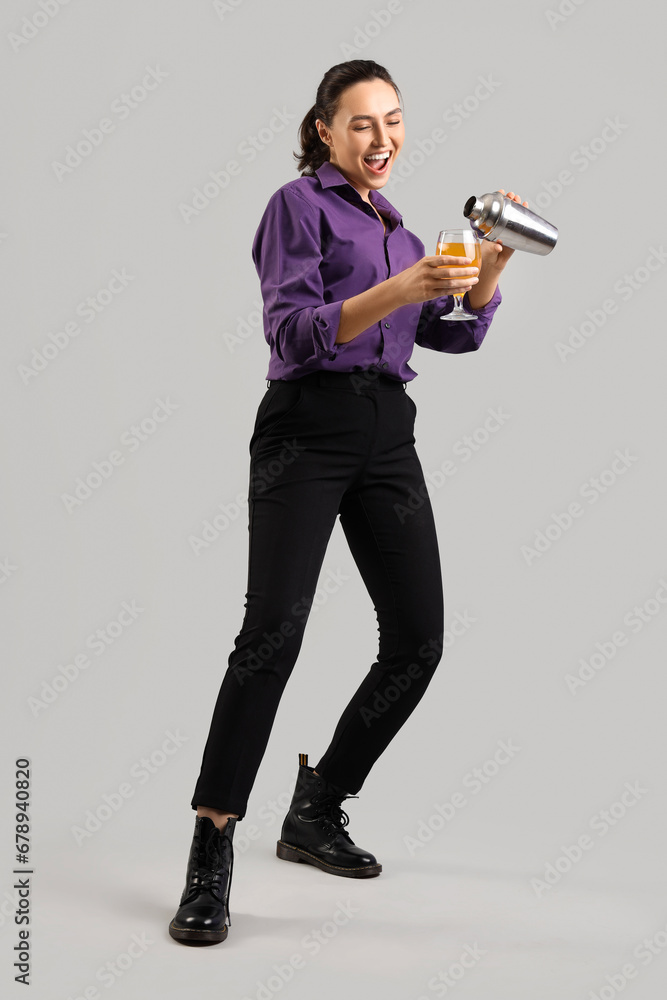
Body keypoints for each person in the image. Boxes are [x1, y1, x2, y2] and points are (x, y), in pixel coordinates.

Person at [169, 59, 528, 946]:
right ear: (324, 130)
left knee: (418, 639)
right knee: (271, 637)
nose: (382, 139)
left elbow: (448, 333)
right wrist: (395, 292)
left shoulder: (406, 236)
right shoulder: (297, 208)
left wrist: (488, 266)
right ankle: (211, 848)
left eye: (394, 121)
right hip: (306, 428)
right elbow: (292, 331)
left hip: (386, 432)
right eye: (362, 123)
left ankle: (317, 805)